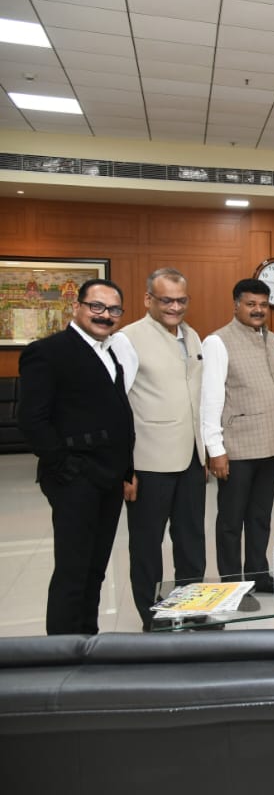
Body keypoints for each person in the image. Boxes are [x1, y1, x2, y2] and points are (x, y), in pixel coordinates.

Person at [18, 279, 134, 635]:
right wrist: (64, 467)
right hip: (75, 480)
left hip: (109, 478)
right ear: (77, 307)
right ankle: (62, 652)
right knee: (73, 571)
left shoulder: (109, 351)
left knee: (95, 569)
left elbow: (117, 413)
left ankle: (87, 640)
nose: (105, 315)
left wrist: (125, 470)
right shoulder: (48, 352)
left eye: (114, 309)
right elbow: (32, 420)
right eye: (97, 306)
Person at [114, 267, 206, 629]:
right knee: (147, 544)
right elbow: (117, 406)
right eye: (166, 300)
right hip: (149, 461)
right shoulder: (127, 339)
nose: (175, 307)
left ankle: (192, 608)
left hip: (191, 458)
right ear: (148, 299)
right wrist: (125, 467)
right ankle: (152, 616)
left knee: (191, 540)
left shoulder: (192, 335)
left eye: (181, 300)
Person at [201, 278, 274, 592]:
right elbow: (211, 399)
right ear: (236, 305)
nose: (258, 310)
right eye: (251, 304)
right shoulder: (217, 342)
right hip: (236, 448)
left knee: (260, 516)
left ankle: (258, 574)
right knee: (231, 521)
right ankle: (231, 584)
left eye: (263, 305)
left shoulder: (273, 339)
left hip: (269, 445)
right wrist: (215, 449)